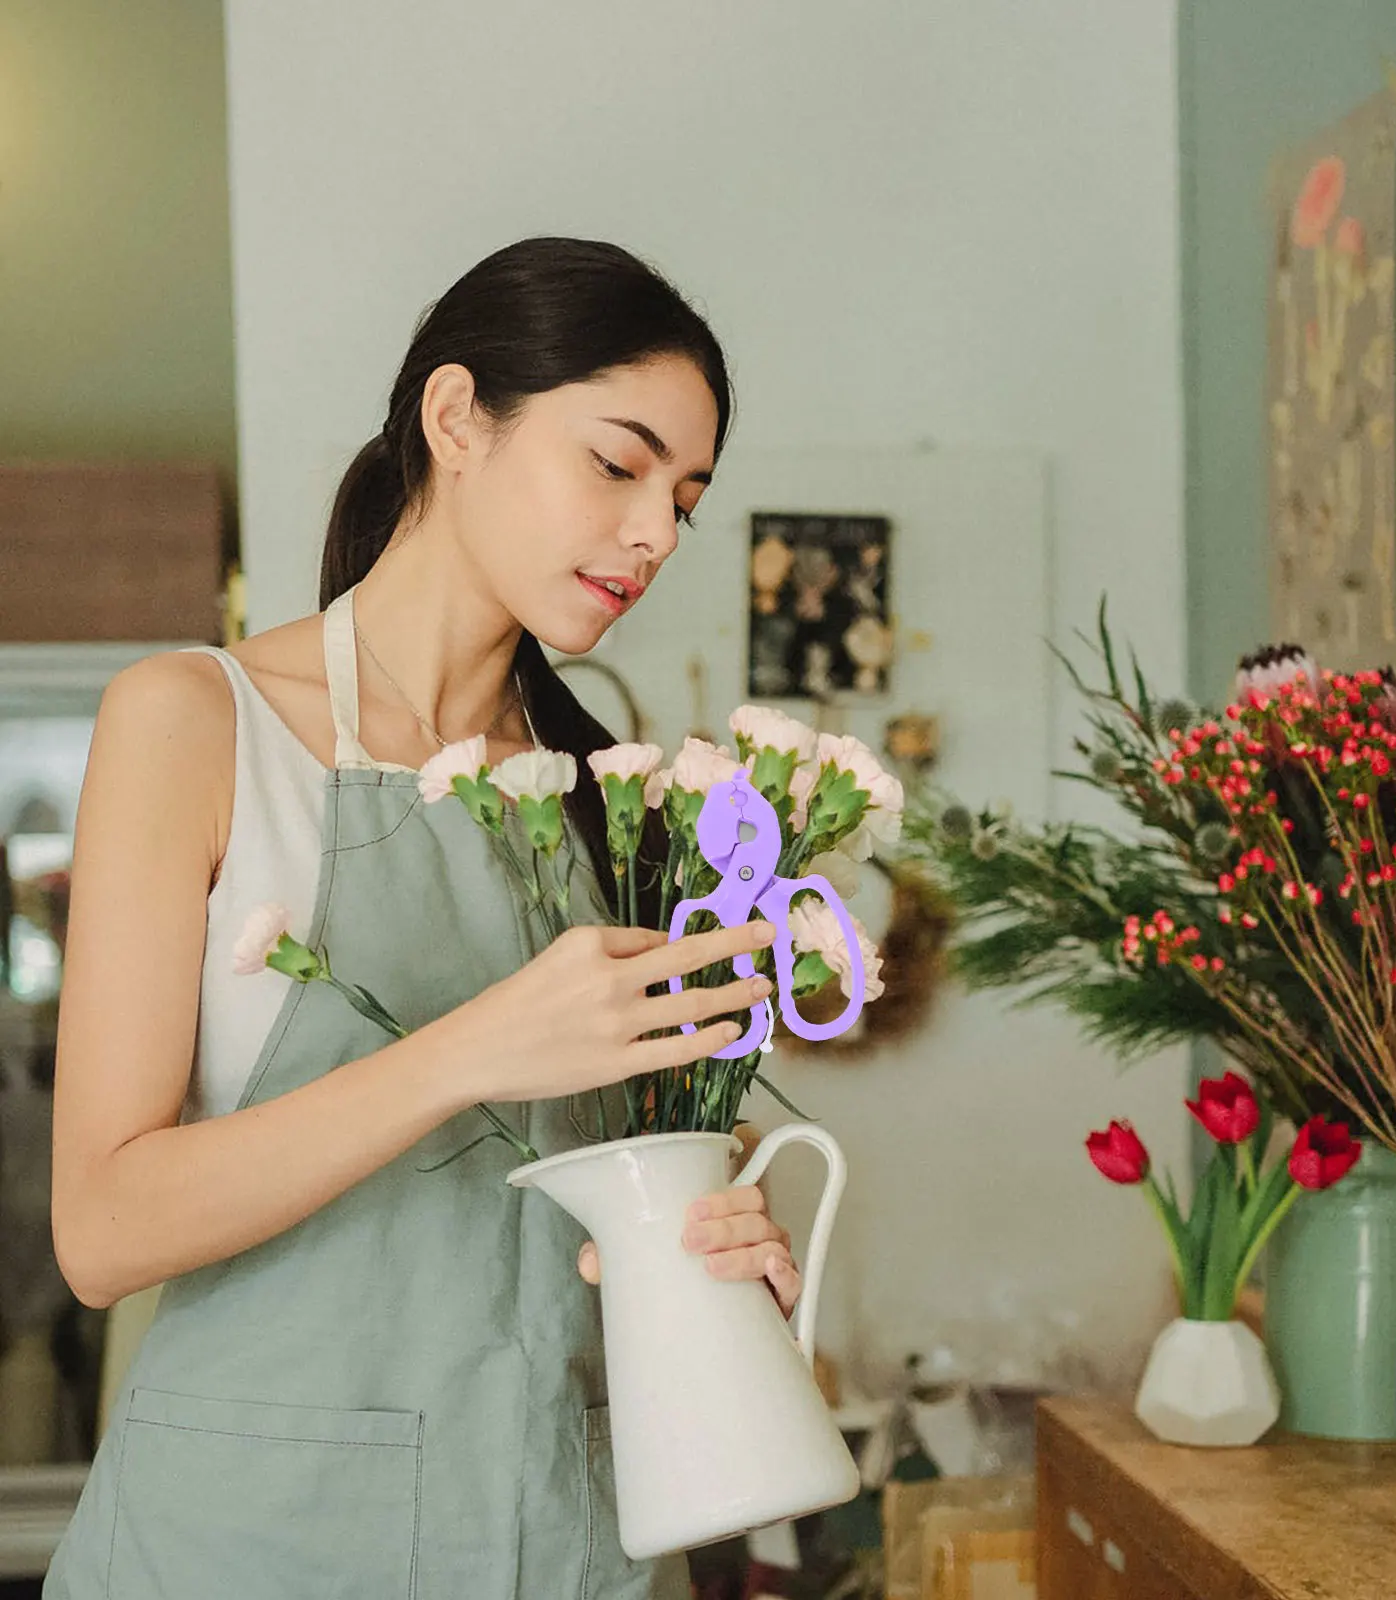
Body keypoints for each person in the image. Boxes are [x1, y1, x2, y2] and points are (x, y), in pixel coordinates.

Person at [44, 238, 800, 1598]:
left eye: (686, 498)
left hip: (563, 1537)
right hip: (250, 1545)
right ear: (457, 419)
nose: (657, 534)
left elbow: (611, 1218)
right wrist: (472, 1048)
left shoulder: (617, 803)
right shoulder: (196, 724)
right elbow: (101, 1230)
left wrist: (711, 1246)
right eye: (618, 466)